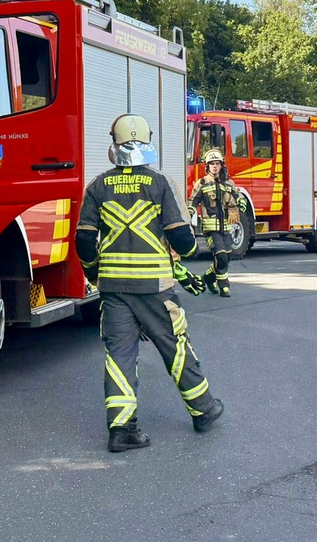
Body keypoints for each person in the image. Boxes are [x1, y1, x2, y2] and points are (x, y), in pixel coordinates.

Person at [77, 114, 225, 452]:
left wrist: (93, 273)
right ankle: (203, 410)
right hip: (155, 289)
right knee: (175, 349)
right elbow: (182, 239)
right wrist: (186, 250)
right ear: (148, 142)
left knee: (119, 356)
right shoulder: (159, 184)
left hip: (113, 291)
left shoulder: (97, 186)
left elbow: (84, 241)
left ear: (114, 145)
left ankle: (122, 429)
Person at [188, 149, 239, 297]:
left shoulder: (229, 183)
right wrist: (188, 215)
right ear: (207, 166)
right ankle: (224, 286)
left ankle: (209, 277)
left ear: (221, 165)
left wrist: (240, 203)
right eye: (212, 164)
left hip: (226, 227)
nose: (215, 167)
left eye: (217, 164)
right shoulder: (202, 183)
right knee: (221, 256)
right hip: (211, 228)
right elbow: (192, 202)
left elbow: (237, 197)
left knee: (227, 256)